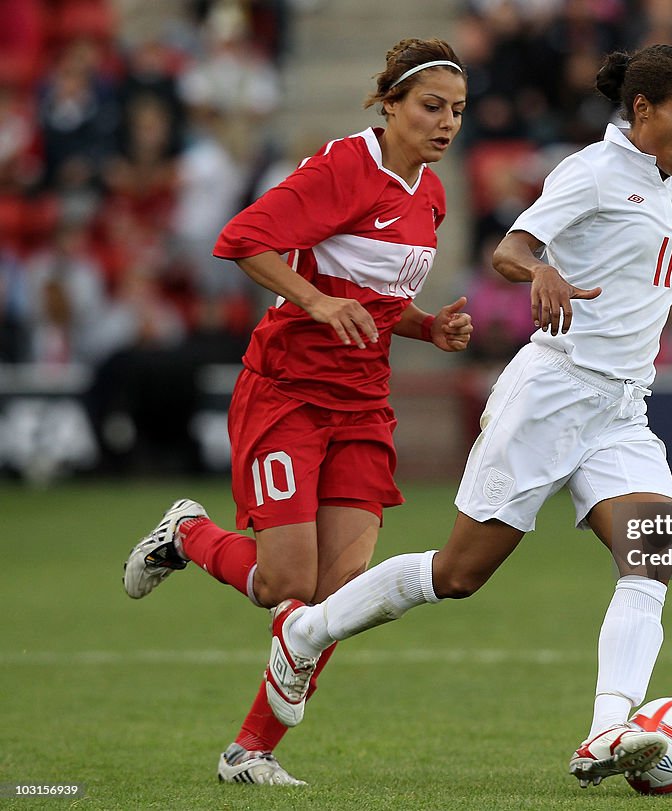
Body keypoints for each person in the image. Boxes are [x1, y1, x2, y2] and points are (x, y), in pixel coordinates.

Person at [259, 44, 672, 789]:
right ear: (641, 110)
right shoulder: (589, 173)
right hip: (551, 393)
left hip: (620, 407)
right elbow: (508, 250)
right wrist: (541, 268)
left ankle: (606, 729)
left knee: (654, 556)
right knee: (457, 575)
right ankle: (306, 630)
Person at [121, 38, 472, 785]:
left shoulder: (430, 193)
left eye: (458, 112)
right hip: (287, 391)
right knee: (288, 588)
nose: (446, 124)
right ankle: (189, 533)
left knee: (339, 599)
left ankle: (250, 752)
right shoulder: (347, 165)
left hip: (363, 402)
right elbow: (241, 239)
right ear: (390, 104)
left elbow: (375, 299)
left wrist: (426, 325)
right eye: (432, 107)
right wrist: (313, 299)